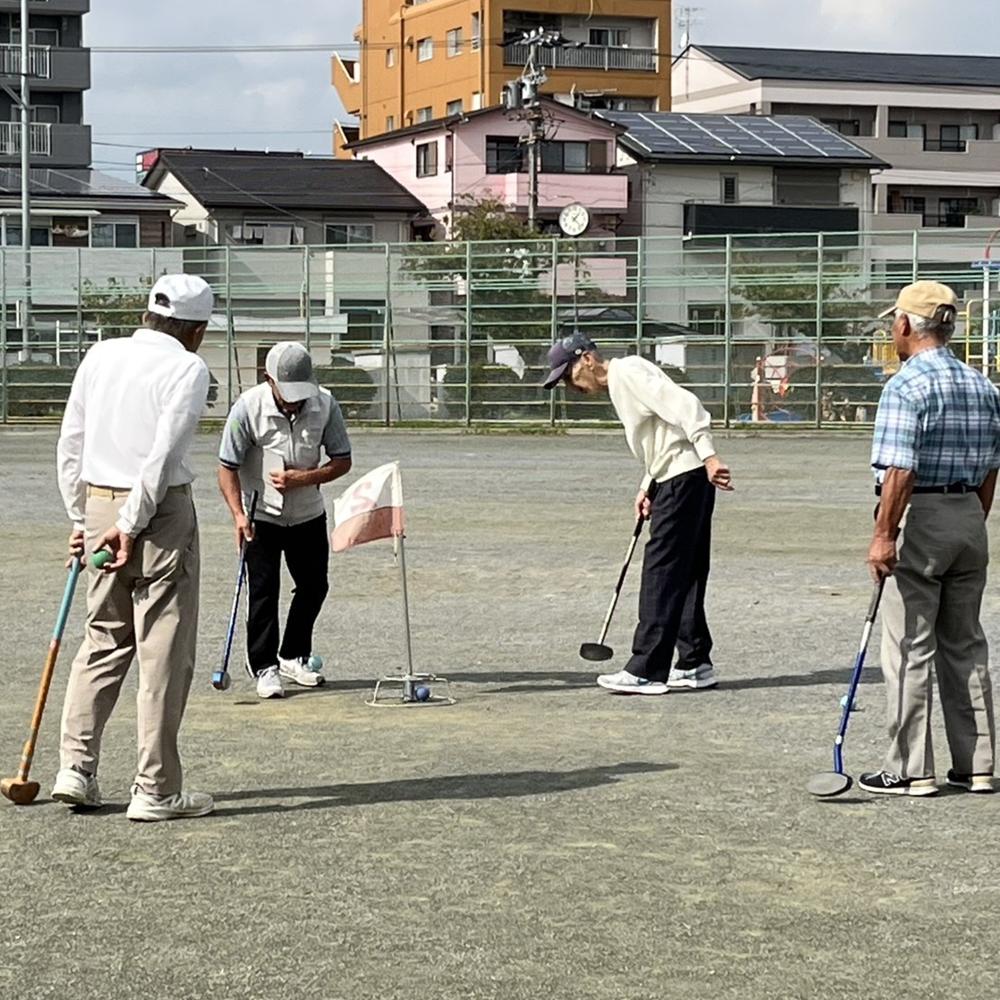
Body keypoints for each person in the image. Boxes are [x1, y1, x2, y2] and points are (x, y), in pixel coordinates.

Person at [53, 273, 215, 822]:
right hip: (158, 513)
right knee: (162, 649)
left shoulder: (100, 355)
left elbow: (71, 439)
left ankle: (76, 768)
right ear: (195, 330)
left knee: (102, 638)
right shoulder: (187, 367)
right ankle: (156, 789)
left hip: (99, 503)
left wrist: (82, 515)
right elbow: (162, 455)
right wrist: (131, 521)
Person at [862, 280, 1000, 797]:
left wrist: (883, 536)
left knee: (908, 645)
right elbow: (992, 468)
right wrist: (971, 516)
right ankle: (977, 765)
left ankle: (910, 768)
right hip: (969, 515)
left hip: (923, 515)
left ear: (904, 326)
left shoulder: (905, 385)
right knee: (965, 644)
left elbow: (899, 470)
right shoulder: (983, 386)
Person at [542, 332, 733, 695]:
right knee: (686, 572)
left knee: (660, 572)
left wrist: (709, 455)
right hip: (678, 476)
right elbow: (662, 432)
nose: (570, 386)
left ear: (586, 359)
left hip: (687, 474)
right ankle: (694, 662)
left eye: (567, 376)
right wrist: (649, 484)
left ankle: (646, 667)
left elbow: (685, 406)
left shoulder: (626, 372)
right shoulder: (625, 377)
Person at [218, 342, 352, 699]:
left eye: (300, 392)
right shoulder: (247, 408)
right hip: (260, 515)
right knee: (263, 592)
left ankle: (292, 654)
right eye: (287, 392)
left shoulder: (325, 404)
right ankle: (264, 666)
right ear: (268, 379)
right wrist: (237, 516)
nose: (295, 401)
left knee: (314, 586)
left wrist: (303, 479)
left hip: (308, 513)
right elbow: (227, 467)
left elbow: (342, 459)